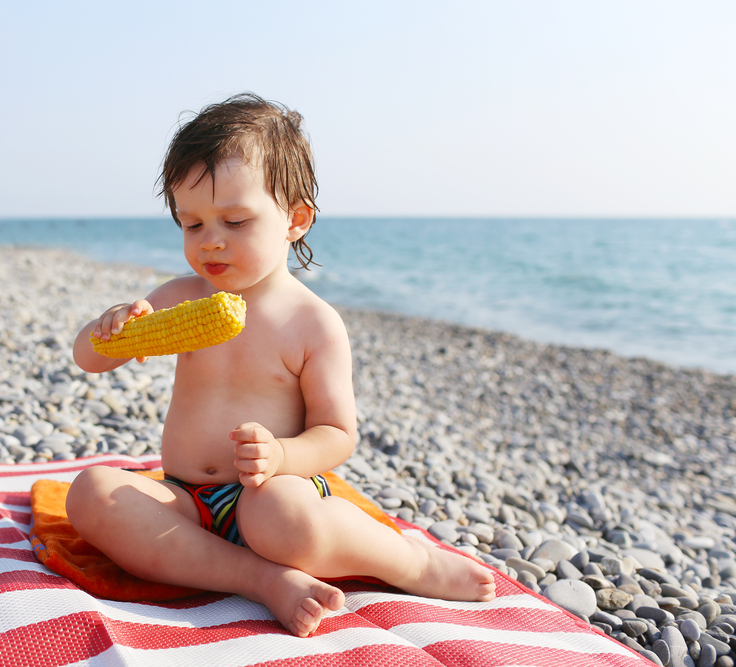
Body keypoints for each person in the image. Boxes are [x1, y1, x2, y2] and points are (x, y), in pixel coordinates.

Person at [67, 93, 496, 638]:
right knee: (92, 493)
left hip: (274, 492)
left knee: (283, 522)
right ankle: (261, 580)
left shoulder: (312, 322)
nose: (210, 241)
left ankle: (411, 562)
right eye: (191, 224)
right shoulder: (179, 297)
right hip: (185, 500)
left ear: (294, 219)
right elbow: (88, 360)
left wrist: (284, 454)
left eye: (236, 220)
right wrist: (111, 329)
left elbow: (337, 433)